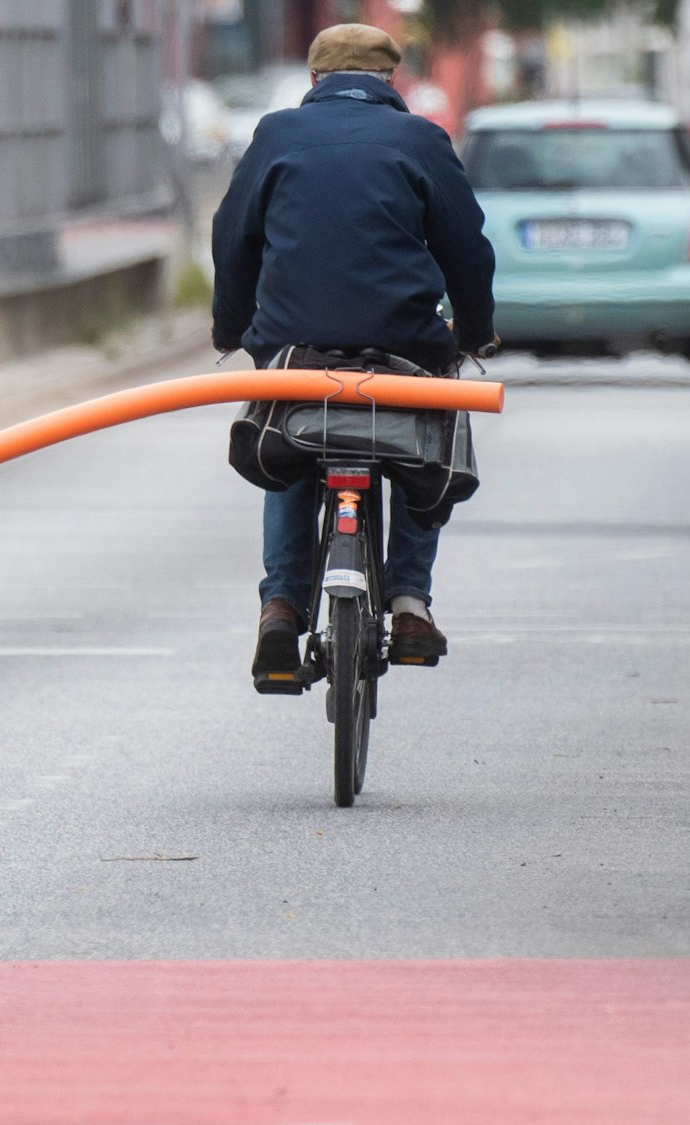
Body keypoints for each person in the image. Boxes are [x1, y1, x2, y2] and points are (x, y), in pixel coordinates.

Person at [211, 23, 497, 681]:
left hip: (295, 347)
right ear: (390, 82)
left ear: (314, 80)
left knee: (288, 452)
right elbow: (466, 250)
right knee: (429, 435)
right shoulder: (422, 141)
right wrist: (473, 333)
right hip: (402, 348)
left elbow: (233, 243)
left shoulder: (277, 135)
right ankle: (409, 598)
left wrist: (234, 329)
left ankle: (281, 606)